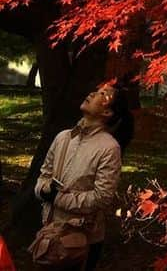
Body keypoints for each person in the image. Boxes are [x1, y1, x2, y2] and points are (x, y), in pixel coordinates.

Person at [35, 83, 134, 271]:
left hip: (81, 240)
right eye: (97, 90)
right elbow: (44, 175)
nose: (93, 93)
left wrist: (58, 198)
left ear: (107, 113)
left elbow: (102, 197)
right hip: (49, 233)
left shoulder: (109, 148)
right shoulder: (63, 137)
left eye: (103, 94)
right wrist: (44, 190)